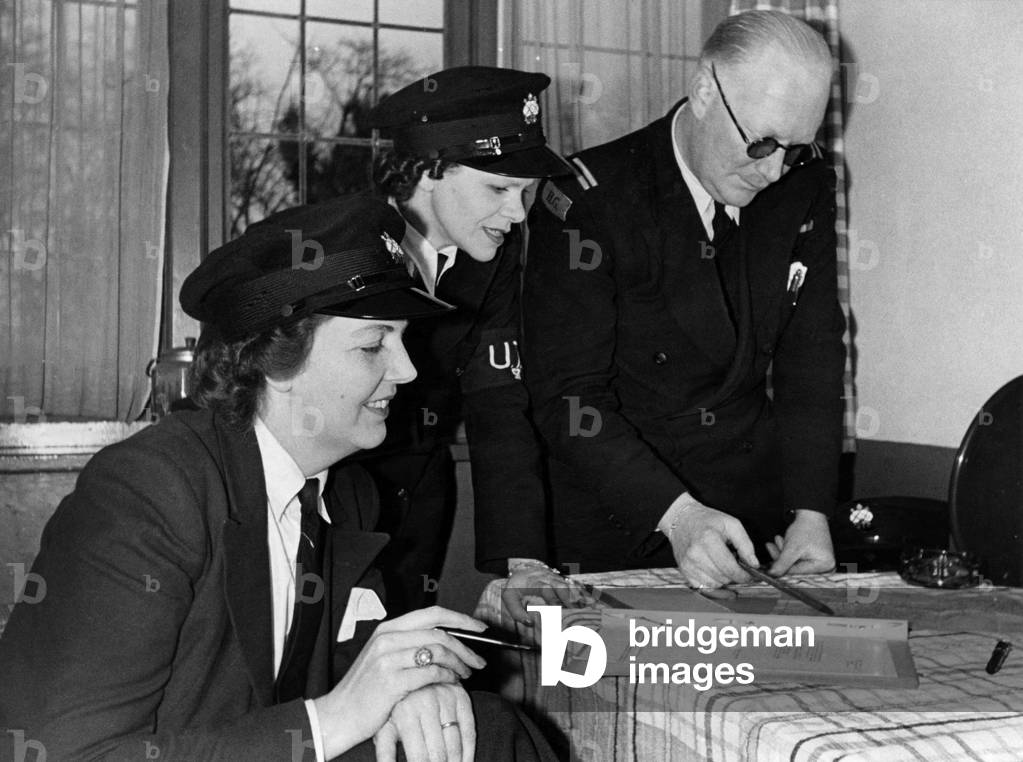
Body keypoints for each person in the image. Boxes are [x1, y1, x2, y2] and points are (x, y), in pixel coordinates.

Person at [0, 197, 557, 761]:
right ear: (276, 362)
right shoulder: (149, 492)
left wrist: (411, 690)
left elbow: (358, 670)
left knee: (483, 728)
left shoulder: (347, 494)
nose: (408, 369)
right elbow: (60, 754)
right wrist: (335, 717)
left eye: (402, 340)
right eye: (373, 345)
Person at [519, 10, 847, 589]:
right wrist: (677, 515)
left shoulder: (804, 183)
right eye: (761, 142)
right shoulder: (591, 199)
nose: (774, 171)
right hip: (626, 514)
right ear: (703, 92)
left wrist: (811, 510)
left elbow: (812, 355)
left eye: (794, 149)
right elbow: (569, 398)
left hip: (754, 518)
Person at [360, 66, 578, 616]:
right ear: (429, 171)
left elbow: (498, 401)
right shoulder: (348, 248)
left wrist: (524, 561)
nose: (517, 214)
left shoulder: (491, 257)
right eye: (499, 188)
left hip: (420, 498)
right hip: (335, 501)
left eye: (525, 192)